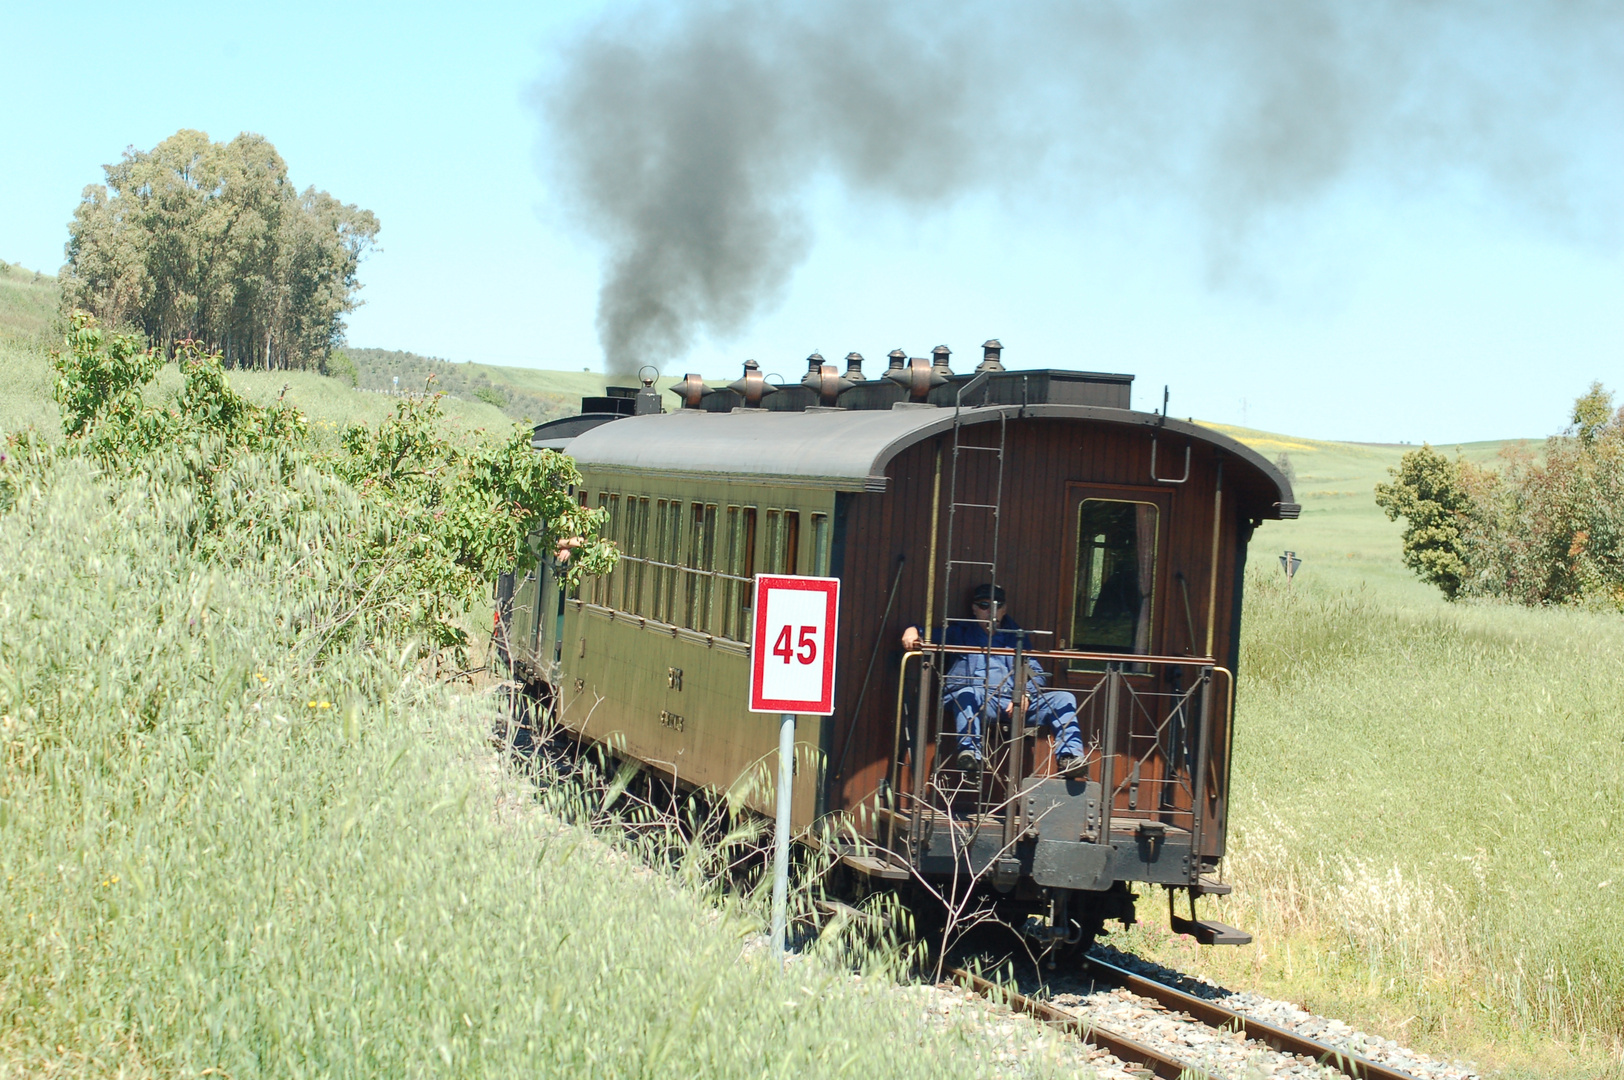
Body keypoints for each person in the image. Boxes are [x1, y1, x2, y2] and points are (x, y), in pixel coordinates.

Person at [901, 584, 1085, 774]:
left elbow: (1035, 671)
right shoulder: (959, 632)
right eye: (984, 605)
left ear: (1004, 610)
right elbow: (925, 633)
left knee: (1064, 698)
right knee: (967, 693)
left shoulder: (1017, 636)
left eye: (997, 606)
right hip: (980, 701)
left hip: (1014, 702)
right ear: (974, 609)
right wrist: (912, 630)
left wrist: (1025, 695)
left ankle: (1069, 758)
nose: (991, 611)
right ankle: (970, 754)